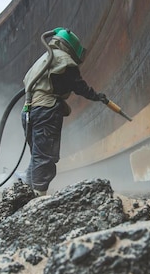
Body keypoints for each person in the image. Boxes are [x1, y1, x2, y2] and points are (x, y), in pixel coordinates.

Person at [18, 28, 107, 195]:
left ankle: (27, 191)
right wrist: (97, 96)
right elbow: (79, 86)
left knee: (37, 155)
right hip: (46, 111)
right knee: (45, 157)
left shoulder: (44, 59)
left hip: (28, 112)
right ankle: (38, 197)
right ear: (72, 48)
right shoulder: (63, 60)